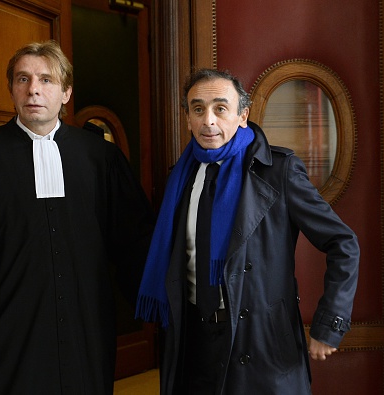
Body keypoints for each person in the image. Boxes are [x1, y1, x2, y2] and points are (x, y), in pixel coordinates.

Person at [0, 40, 154, 394]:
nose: (33, 89)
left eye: (46, 80)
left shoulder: (102, 159)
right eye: (23, 79)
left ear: (66, 92)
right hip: (5, 332)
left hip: (85, 329)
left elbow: (136, 241)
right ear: (11, 89)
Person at [135, 68, 360, 394]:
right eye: (198, 109)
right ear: (187, 118)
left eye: (220, 108)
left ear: (243, 115)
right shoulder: (180, 178)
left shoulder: (278, 171)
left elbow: (343, 242)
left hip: (261, 342)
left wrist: (330, 324)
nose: (208, 121)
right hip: (193, 340)